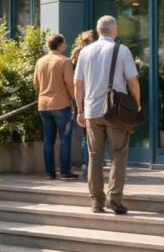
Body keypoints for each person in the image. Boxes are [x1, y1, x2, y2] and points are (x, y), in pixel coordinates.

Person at [74, 16, 141, 214]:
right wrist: (137, 103)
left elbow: (77, 84)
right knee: (119, 153)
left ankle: (96, 201)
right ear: (115, 31)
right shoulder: (121, 50)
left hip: (92, 110)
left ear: (98, 30)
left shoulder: (85, 51)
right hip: (115, 111)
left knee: (94, 157)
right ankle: (114, 198)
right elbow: (133, 80)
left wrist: (79, 110)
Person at [34, 34, 78, 180]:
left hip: (43, 105)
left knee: (48, 139)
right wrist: (76, 100)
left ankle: (49, 172)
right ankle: (65, 171)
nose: (66, 45)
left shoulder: (40, 61)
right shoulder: (64, 61)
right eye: (64, 43)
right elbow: (70, 83)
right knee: (65, 138)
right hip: (60, 104)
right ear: (59, 45)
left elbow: (36, 84)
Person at [70, 30, 95, 179]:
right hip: (91, 100)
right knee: (92, 136)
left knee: (86, 136)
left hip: (81, 100)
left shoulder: (74, 57)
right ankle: (91, 166)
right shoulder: (90, 56)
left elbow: (75, 84)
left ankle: (86, 167)